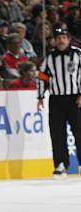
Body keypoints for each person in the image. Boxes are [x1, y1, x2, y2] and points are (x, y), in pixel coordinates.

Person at [37, 27, 81, 177]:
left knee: (79, 132)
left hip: (76, 99)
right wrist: (40, 96)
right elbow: (42, 76)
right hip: (56, 100)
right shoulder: (50, 57)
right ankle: (61, 164)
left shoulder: (77, 54)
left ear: (69, 39)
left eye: (63, 37)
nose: (61, 40)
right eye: (58, 38)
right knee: (57, 134)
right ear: (55, 41)